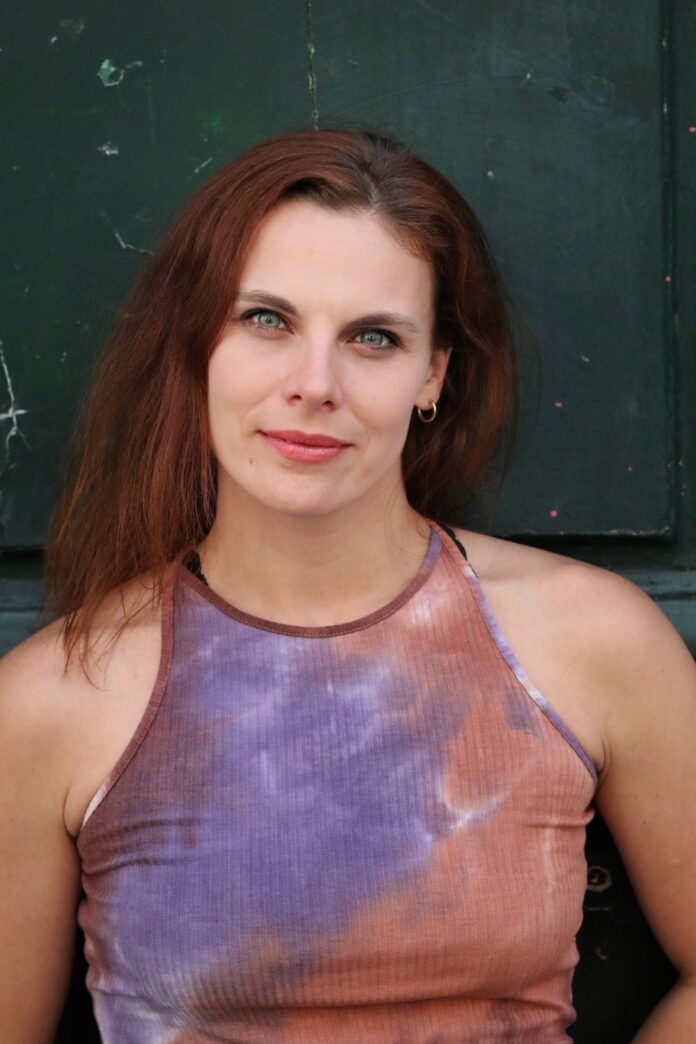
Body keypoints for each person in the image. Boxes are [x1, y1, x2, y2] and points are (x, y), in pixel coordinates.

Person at [1, 127, 694, 1044]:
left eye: (373, 336)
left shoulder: (594, 640)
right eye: (267, 321)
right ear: (199, 343)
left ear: (432, 373)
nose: (314, 383)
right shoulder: (54, 700)